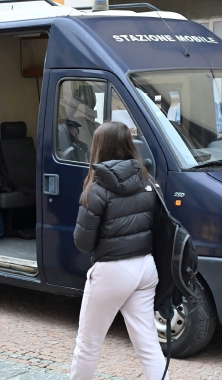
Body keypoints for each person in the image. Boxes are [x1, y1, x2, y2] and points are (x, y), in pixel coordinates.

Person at [71, 121, 168, 380]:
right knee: (148, 344)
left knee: (88, 344)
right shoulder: (148, 180)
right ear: (129, 144)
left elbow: (82, 241)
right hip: (146, 267)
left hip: (112, 269)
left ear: (99, 147)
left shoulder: (97, 188)